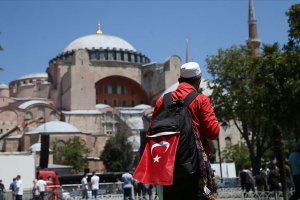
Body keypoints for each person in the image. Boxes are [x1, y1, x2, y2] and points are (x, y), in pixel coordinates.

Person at [149, 62, 220, 200]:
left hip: (168, 167)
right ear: (198, 80)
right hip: (194, 169)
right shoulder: (201, 100)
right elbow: (213, 132)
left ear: (179, 80)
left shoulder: (162, 101)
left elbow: (151, 132)